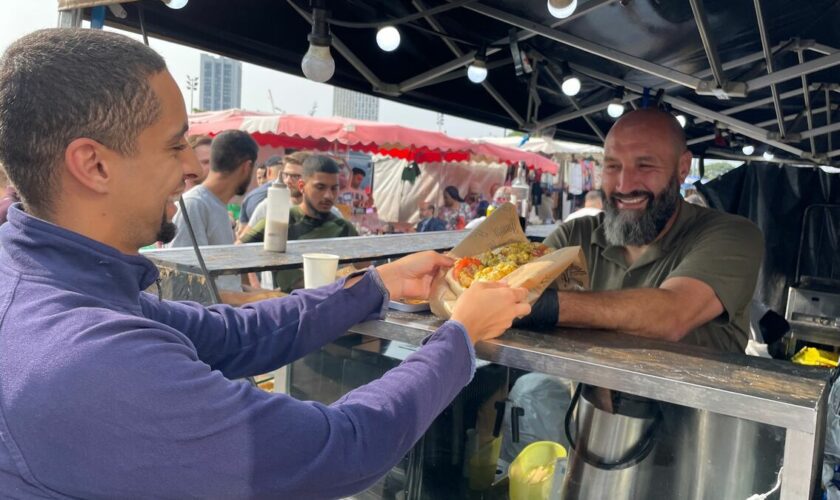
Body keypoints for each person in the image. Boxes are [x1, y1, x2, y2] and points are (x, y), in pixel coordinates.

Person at [0, 28, 532, 499]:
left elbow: (229, 335)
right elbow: (341, 449)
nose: (193, 167)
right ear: (93, 165)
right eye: (175, 145)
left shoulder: (58, 287)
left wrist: (374, 286)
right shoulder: (89, 359)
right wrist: (460, 335)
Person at [526, 108, 763, 353]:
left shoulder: (732, 236)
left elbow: (671, 316)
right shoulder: (576, 235)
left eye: (645, 166)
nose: (625, 185)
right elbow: (513, 282)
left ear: (682, 168)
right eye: (613, 166)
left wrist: (541, 306)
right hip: (587, 393)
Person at [241, 155, 361, 291]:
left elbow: (365, 274)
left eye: (334, 188)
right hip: (284, 308)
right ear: (302, 186)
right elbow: (235, 254)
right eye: (320, 187)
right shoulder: (279, 223)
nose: (328, 195)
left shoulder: (344, 229)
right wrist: (256, 291)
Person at [167, 130, 257, 290]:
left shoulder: (216, 204)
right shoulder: (195, 204)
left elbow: (224, 282)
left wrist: (259, 294)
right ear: (246, 167)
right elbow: (187, 285)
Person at [237, 154, 284, 226]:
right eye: (259, 178)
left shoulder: (250, 197)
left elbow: (241, 230)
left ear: (268, 172)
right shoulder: (293, 194)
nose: (262, 181)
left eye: (264, 177)